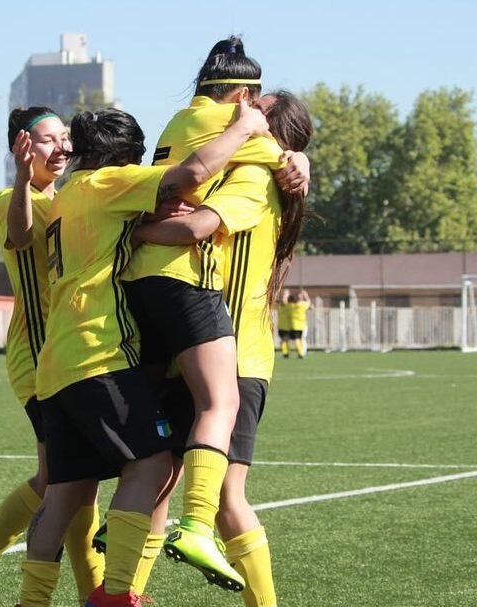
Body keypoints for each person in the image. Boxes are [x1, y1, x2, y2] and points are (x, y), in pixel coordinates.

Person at [19, 103, 270, 607]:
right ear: (119, 157)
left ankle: (30, 603)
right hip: (97, 354)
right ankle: (116, 597)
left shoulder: (68, 196)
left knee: (64, 491)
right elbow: (191, 174)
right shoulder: (110, 183)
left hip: (54, 367)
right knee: (154, 463)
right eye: (136, 157)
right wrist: (244, 127)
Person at [119, 36, 309, 592]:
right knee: (157, 477)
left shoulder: (256, 180)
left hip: (238, 353)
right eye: (246, 102)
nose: (246, 112)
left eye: (258, 112)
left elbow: (199, 226)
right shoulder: (239, 165)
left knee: (227, 499)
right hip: (197, 345)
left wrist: (135, 231)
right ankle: (123, 592)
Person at [0, 107, 104, 607]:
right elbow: (16, 234)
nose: (62, 148)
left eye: (65, 139)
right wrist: (17, 176)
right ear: (24, 148)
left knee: (80, 483)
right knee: (63, 479)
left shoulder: (74, 195)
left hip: (72, 354)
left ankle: (90, 593)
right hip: (36, 360)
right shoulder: (11, 199)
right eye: (48, 141)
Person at [278, 290, 310, 359]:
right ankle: (300, 353)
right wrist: (306, 295)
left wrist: (285, 295)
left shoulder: (285, 306)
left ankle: (286, 353)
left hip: (286, 325)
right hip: (299, 325)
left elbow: (284, 302)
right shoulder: (300, 305)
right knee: (297, 339)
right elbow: (308, 303)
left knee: (285, 340)